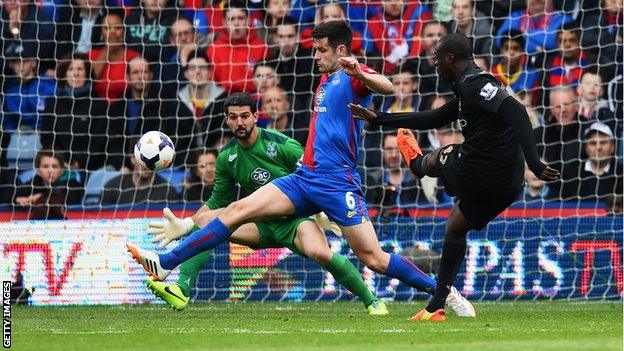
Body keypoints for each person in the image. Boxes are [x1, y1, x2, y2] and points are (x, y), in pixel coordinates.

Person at [127, 21, 475, 318]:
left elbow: (385, 87)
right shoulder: (323, 85)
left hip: (338, 184)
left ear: (339, 51)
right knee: (235, 210)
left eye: (321, 50)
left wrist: (361, 72)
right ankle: (166, 262)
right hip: (304, 178)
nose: (315, 55)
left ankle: (443, 291)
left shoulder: (352, 75)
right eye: (314, 49)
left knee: (374, 258)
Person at [348, 33, 559, 321]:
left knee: (443, 153)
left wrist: (534, 163)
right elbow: (433, 118)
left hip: (480, 169)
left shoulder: (475, 83)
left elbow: (518, 110)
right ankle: (436, 306)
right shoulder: (465, 89)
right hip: (508, 185)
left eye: (437, 59)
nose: (434, 64)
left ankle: (418, 163)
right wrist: (380, 118)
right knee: (455, 226)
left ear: (450, 59)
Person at [144, 93, 387, 314]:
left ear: (256, 117)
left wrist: (323, 211)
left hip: (295, 221)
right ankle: (182, 290)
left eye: (245, 116)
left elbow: (317, 177)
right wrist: (188, 223)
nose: (240, 122)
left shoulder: (282, 145)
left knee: (320, 253)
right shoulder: (227, 157)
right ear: (227, 121)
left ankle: (371, 300)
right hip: (258, 224)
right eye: (233, 117)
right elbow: (218, 201)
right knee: (208, 220)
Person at [13, 151, 83, 219]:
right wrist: (18, 199)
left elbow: (69, 203)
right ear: (38, 171)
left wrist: (41, 198)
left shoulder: (72, 185)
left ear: (61, 170)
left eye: (54, 166)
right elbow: (11, 197)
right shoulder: (32, 184)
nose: (50, 171)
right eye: (45, 166)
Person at [101, 154, 179, 205]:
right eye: (143, 158)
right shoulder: (111, 187)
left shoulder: (168, 191)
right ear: (133, 159)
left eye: (153, 159)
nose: (147, 164)